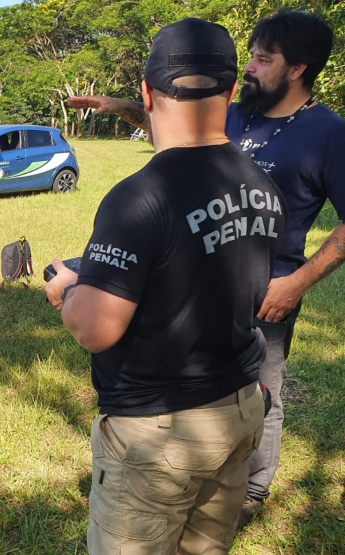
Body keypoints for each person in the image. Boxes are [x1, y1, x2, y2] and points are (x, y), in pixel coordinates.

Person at [67, 10, 345, 527]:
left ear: (298, 68)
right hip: (198, 271)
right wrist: (123, 107)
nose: (256, 65)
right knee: (212, 383)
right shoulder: (239, 112)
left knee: (262, 388)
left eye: (266, 58)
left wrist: (297, 281)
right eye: (252, 57)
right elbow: (180, 125)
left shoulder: (328, 133)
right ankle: (203, 476)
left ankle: (251, 490)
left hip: (269, 285)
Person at [43, 18, 287, 553]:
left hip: (161, 432)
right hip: (239, 410)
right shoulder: (260, 183)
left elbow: (95, 328)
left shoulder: (140, 196)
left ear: (147, 93)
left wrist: (67, 289)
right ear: (229, 90)